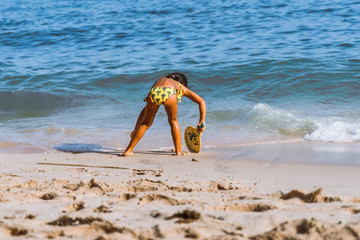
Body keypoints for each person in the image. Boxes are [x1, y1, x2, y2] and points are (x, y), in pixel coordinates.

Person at [122, 72, 206, 156]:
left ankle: (128, 150)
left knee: (146, 123)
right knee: (173, 121)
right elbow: (201, 101)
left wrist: (135, 129)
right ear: (183, 83)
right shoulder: (181, 87)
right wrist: (202, 121)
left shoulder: (160, 81)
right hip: (170, 93)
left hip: (154, 92)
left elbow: (144, 111)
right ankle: (178, 151)